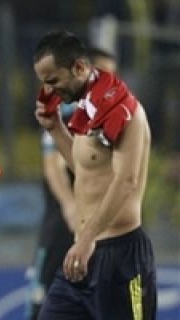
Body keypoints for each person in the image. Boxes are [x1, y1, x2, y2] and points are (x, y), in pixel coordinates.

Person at [33, 30, 157, 320]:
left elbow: (126, 181)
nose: (49, 91)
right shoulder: (88, 109)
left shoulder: (126, 111)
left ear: (78, 68)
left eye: (53, 81)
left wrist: (87, 238)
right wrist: (54, 128)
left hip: (121, 257)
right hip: (81, 258)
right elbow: (86, 171)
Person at [26, 46, 118, 320]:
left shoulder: (122, 113)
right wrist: (68, 205)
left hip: (104, 225)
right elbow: (52, 163)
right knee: (43, 303)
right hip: (63, 223)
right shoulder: (65, 109)